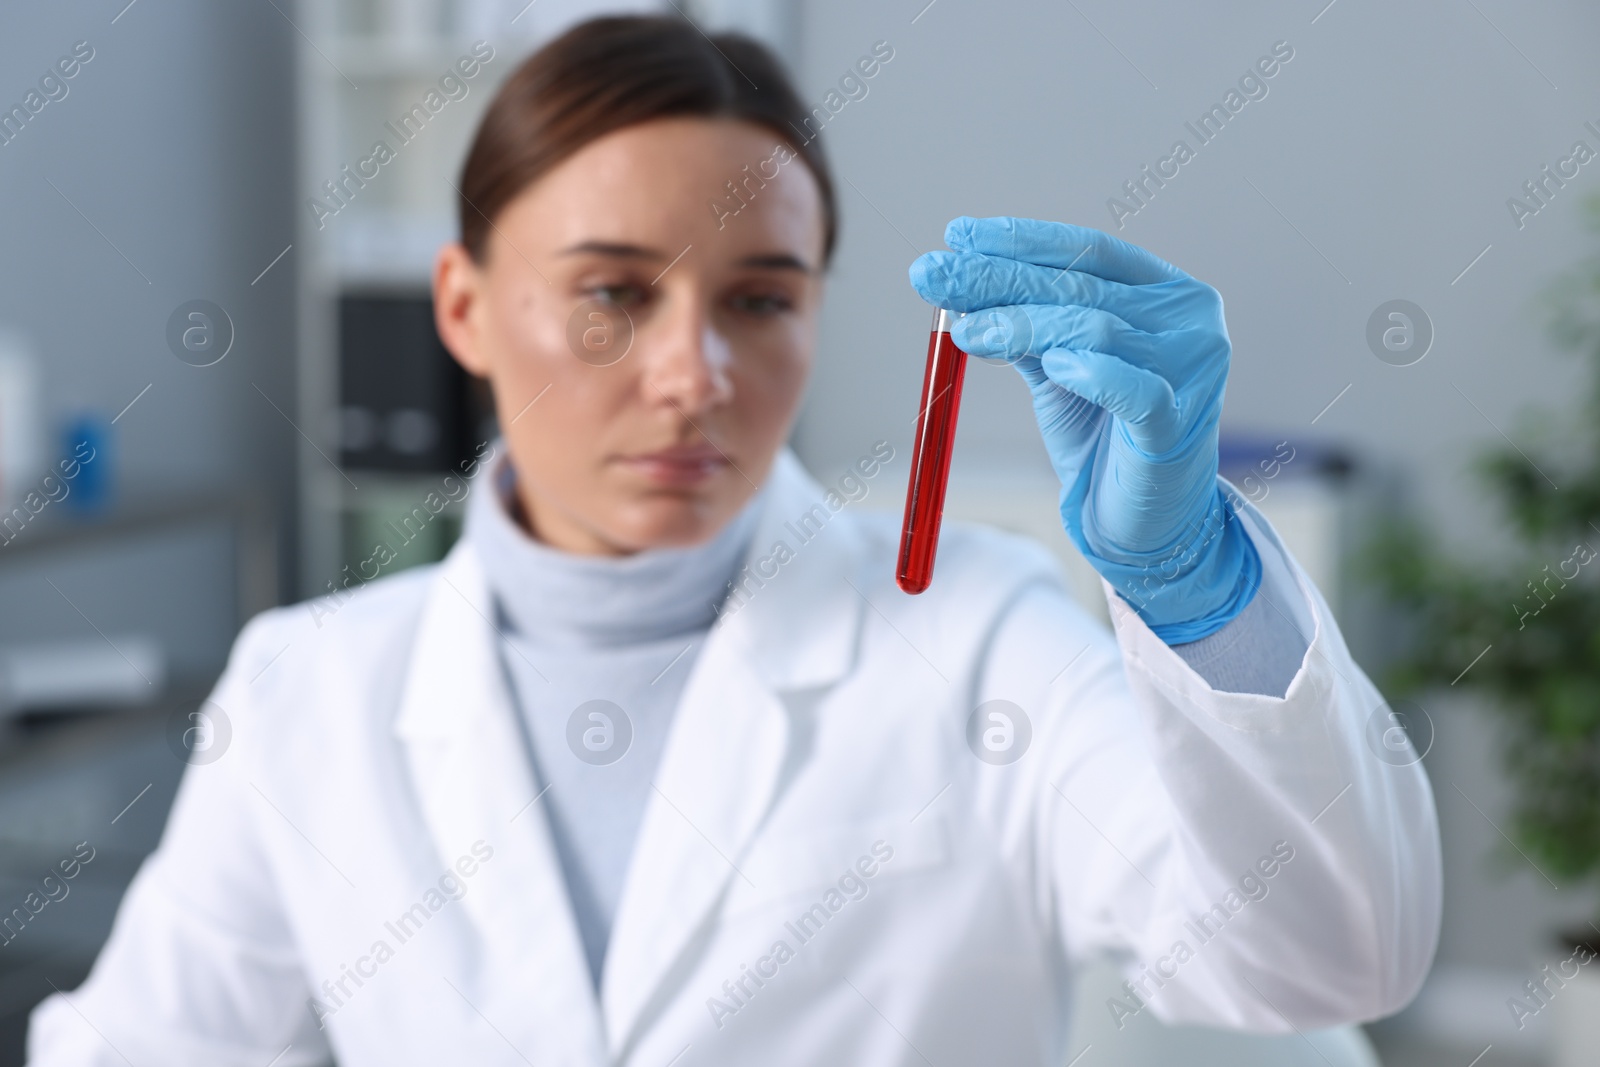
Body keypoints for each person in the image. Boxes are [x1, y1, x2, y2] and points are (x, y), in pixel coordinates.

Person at [27, 15, 1440, 1066]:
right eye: (611, 294)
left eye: (760, 300)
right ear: (460, 305)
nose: (694, 373)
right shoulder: (308, 689)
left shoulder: (979, 638)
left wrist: (1198, 588)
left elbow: (1328, 960)